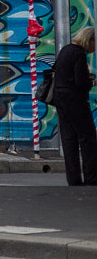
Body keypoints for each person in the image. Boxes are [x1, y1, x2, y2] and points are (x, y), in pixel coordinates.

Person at [51, 26, 97, 186]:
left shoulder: (66, 50)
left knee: (69, 139)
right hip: (75, 100)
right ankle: (91, 177)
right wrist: (92, 81)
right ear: (89, 40)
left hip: (60, 97)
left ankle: (73, 179)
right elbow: (80, 82)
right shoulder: (79, 54)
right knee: (88, 138)